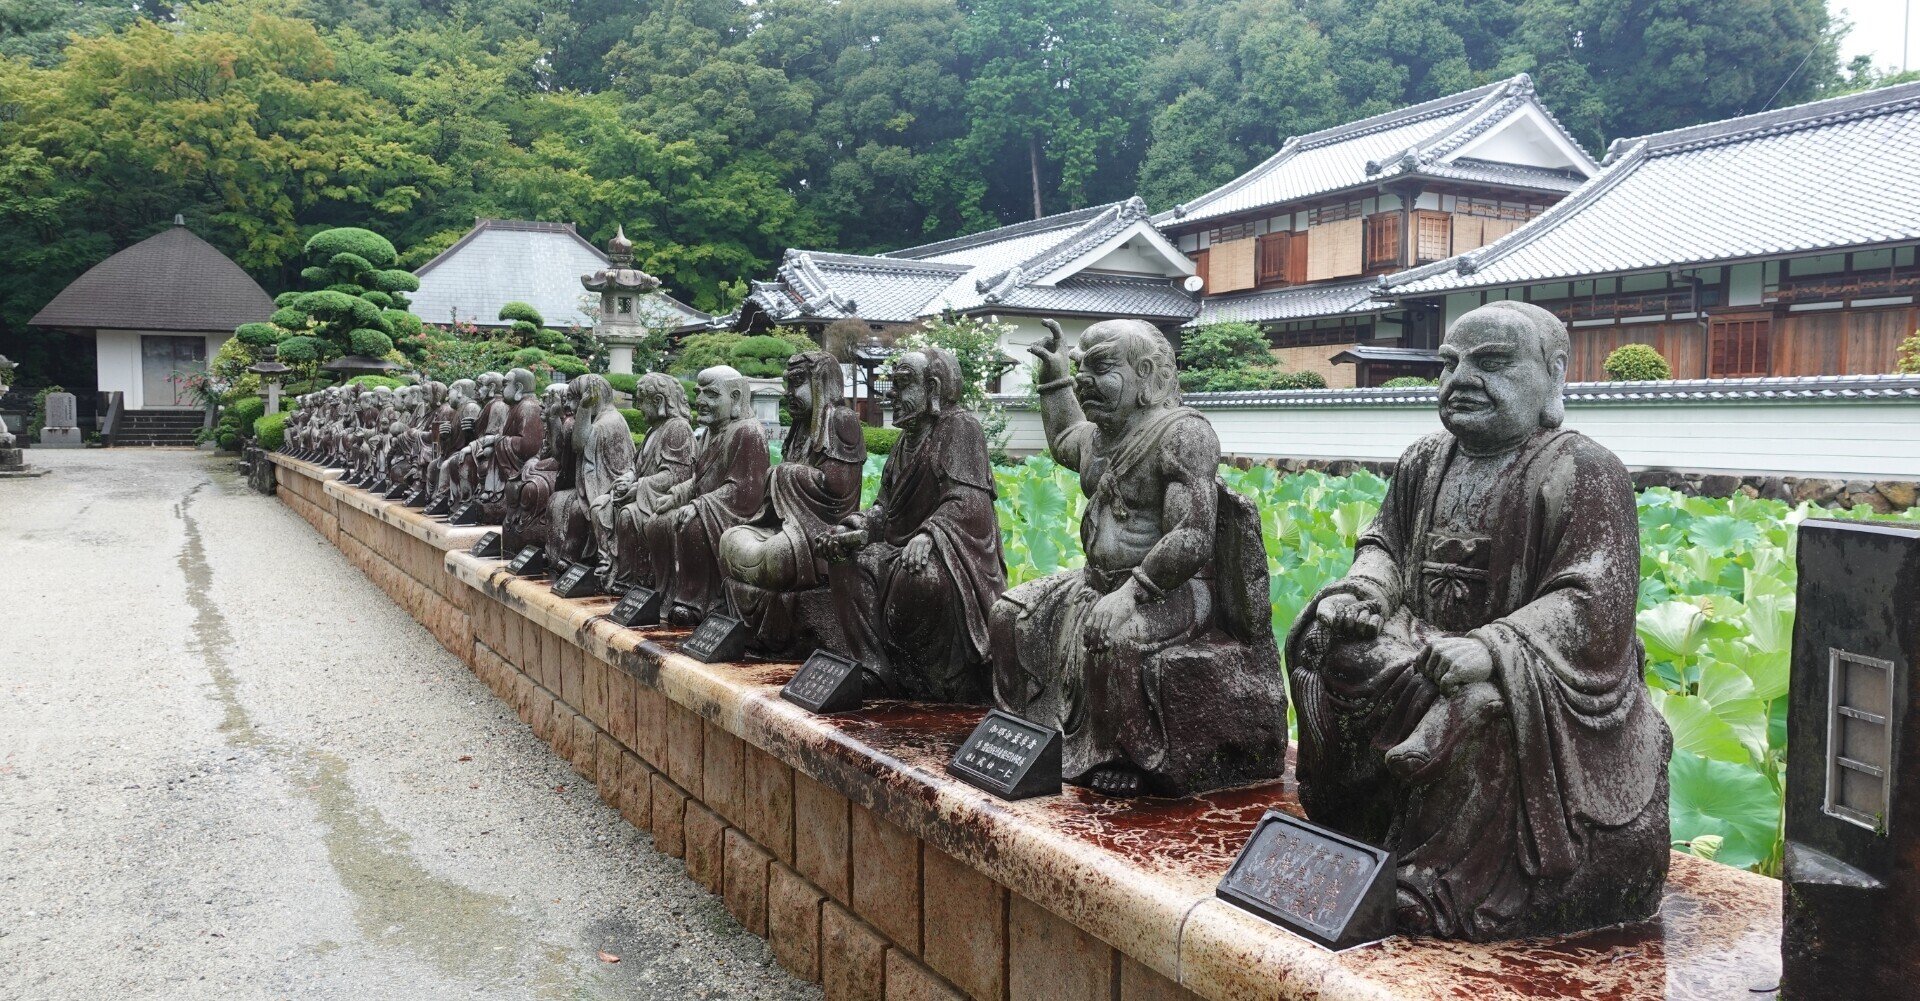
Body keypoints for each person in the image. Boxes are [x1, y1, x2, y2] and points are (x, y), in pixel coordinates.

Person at [1286, 300, 1671, 941]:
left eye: (1490, 363)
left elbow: (1591, 598)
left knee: (1478, 709)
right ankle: (1350, 830)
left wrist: (1494, 647)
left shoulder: (1583, 471)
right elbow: (1384, 546)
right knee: (1332, 653)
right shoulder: (1424, 461)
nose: (1461, 379)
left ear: (1552, 375)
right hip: (1420, 641)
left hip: (1534, 672)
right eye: (1450, 364)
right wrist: (1363, 596)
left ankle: (1440, 883)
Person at [990, 318, 1289, 798]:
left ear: (1146, 373)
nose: (1085, 380)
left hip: (1168, 589)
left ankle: (1123, 753)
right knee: (1011, 613)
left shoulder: (1182, 435)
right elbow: (1067, 438)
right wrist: (1054, 378)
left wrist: (1132, 593)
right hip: (1097, 580)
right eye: (1082, 368)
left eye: (1100, 368)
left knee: (1117, 639)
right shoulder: (1100, 436)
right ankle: (1026, 725)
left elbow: (1191, 536)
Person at [821, 347, 1006, 702]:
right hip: (897, 550)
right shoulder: (904, 442)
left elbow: (970, 503)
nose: (891, 394)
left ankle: (938, 679)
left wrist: (929, 533)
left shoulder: (960, 428)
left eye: (903, 384)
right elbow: (884, 507)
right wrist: (854, 529)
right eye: (892, 384)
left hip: (946, 555)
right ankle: (874, 670)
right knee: (846, 565)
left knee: (919, 577)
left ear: (933, 388)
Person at [720, 351, 865, 655]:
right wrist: (782, 476)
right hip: (788, 522)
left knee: (776, 557)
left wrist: (784, 474)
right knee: (730, 539)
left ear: (821, 382)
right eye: (787, 384)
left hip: (819, 529)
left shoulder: (841, 419)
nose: (789, 394)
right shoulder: (800, 427)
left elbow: (838, 490)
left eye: (797, 383)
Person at [646, 366, 768, 624]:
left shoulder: (747, 432)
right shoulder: (709, 434)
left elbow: (744, 490)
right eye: (699, 392)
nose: (700, 401)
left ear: (734, 399)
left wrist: (701, 505)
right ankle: (666, 594)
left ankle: (701, 602)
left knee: (691, 525)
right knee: (658, 522)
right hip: (711, 506)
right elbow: (701, 480)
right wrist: (678, 494)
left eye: (711, 395)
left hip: (735, 513)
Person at [608, 373, 697, 592]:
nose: (638, 407)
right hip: (645, 493)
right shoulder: (652, 431)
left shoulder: (677, 429)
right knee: (602, 505)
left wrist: (639, 487)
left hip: (663, 498)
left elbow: (676, 475)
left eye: (641, 401)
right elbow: (636, 465)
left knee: (628, 515)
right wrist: (629, 478)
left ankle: (631, 580)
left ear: (657, 401)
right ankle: (609, 568)